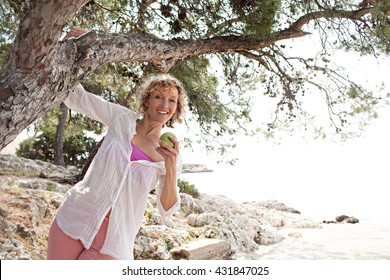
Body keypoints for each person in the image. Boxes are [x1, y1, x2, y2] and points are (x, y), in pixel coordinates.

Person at [47, 73, 187, 260]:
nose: (164, 105)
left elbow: (167, 210)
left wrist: (170, 168)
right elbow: (78, 98)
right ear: (147, 100)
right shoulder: (122, 119)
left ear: (176, 108)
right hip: (76, 218)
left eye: (172, 100)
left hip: (114, 242)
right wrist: (67, 55)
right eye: (158, 97)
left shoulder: (170, 154)